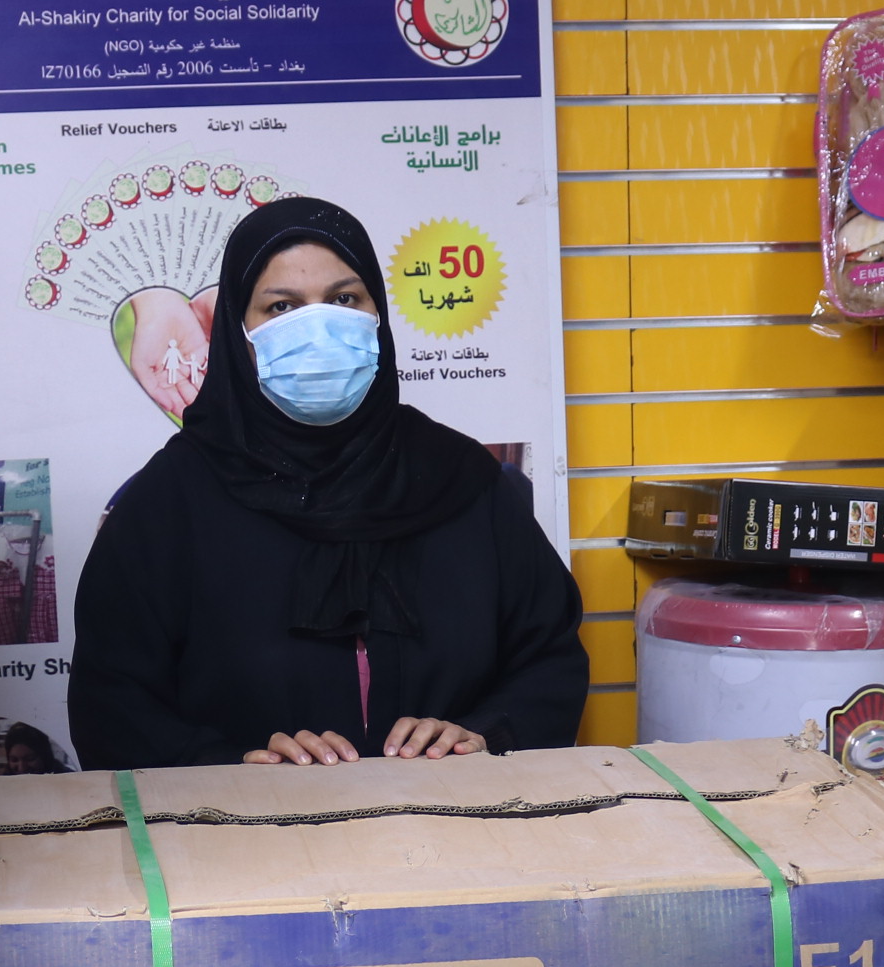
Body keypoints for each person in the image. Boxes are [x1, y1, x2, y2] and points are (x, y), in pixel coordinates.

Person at [68, 195, 587, 769]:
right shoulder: (169, 503)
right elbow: (111, 701)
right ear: (237, 333)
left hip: (452, 816)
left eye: (344, 299)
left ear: (378, 313)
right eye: (281, 306)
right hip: (241, 823)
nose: (317, 327)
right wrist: (233, 765)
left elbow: (549, 659)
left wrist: (481, 735)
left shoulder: (464, 481)